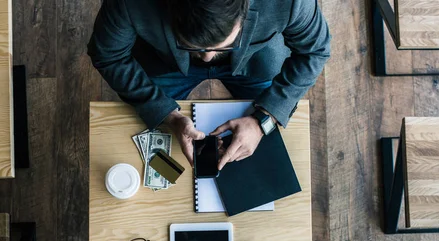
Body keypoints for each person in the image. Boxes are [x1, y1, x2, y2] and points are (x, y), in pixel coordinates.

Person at [88, 0, 330, 170]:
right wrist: (167, 116)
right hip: (165, 62)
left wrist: (263, 120)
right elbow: (108, 55)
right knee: (145, 130)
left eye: (222, 45)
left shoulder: (291, 2)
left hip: (255, 59)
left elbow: (315, 51)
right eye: (194, 46)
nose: (207, 58)